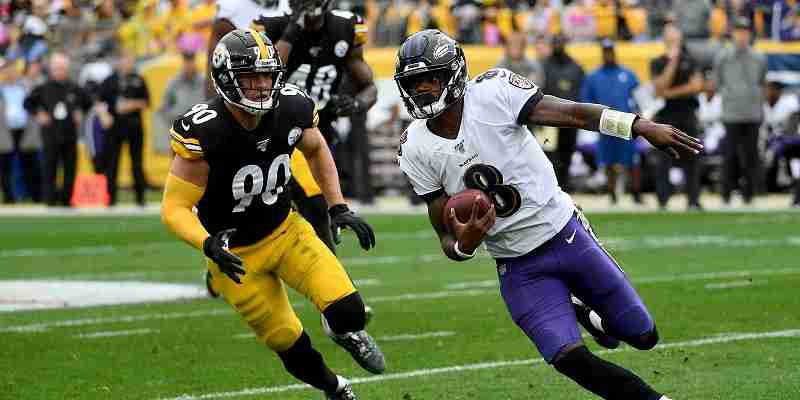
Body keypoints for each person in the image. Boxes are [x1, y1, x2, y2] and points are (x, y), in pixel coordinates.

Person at [396, 29, 702, 400]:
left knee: (643, 335)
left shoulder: (493, 92)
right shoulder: (415, 146)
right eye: (414, 83)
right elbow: (444, 235)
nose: (423, 90)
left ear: (454, 74)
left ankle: (586, 310)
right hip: (517, 264)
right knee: (567, 357)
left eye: (431, 79)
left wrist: (640, 126)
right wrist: (465, 244)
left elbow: (573, 113)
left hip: (565, 233)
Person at [161, 30, 383, 400]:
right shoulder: (206, 130)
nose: (263, 85)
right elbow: (174, 207)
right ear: (226, 78)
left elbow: (317, 150)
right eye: (252, 76)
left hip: (286, 231)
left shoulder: (291, 108)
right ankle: (335, 387)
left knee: (350, 312)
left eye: (267, 74)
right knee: (286, 341)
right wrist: (206, 242)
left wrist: (338, 206)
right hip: (236, 258)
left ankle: (343, 332)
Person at [256, 0, 377, 251]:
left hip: (319, 132)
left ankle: (330, 279)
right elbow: (271, 73)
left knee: (311, 207)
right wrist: (292, 30)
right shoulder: (273, 27)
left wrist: (355, 105)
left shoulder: (345, 28)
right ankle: (334, 283)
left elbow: (368, 87)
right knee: (307, 205)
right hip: (278, 132)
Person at [581, 39, 642, 204]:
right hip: (605, 122)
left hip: (627, 123)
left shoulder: (627, 74)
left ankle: (636, 193)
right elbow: (587, 101)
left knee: (632, 159)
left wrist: (639, 116)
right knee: (608, 161)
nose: (608, 55)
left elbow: (638, 98)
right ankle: (612, 193)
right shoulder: (594, 77)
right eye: (605, 52)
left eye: (610, 51)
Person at [714, 17, 768, 205]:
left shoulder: (759, 58)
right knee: (730, 154)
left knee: (751, 155)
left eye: (745, 31)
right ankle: (726, 193)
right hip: (731, 113)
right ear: (733, 34)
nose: (742, 35)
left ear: (750, 34)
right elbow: (718, 81)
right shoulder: (723, 57)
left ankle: (749, 194)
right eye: (738, 31)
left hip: (752, 113)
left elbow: (762, 82)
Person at [24, 52, 89, 207]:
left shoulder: (74, 88)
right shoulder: (43, 88)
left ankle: (67, 200)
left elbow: (88, 102)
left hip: (69, 134)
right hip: (50, 135)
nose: (60, 71)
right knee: (49, 167)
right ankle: (50, 200)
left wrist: (80, 112)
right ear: (52, 69)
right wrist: (39, 113)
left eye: (63, 68)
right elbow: (27, 103)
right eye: (57, 68)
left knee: (70, 168)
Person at [650, 24, 704, 210]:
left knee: (692, 156)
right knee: (664, 158)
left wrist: (669, 93)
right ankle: (663, 200)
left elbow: (696, 86)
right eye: (670, 37)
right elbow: (659, 87)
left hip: (688, 113)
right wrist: (672, 61)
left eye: (675, 36)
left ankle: (693, 200)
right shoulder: (658, 62)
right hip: (667, 116)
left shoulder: (691, 60)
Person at [97, 53, 150, 206]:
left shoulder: (139, 79)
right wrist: (103, 115)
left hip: (134, 126)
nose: (127, 63)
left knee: (137, 163)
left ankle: (140, 199)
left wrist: (129, 105)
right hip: (115, 127)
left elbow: (146, 102)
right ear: (119, 61)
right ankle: (110, 199)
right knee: (112, 163)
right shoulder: (110, 81)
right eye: (124, 60)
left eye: (129, 60)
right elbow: (99, 101)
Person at [541, 34, 584, 193]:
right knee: (549, 154)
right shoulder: (544, 65)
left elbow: (580, 91)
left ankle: (564, 187)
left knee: (567, 154)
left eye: (560, 42)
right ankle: (552, 188)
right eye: (555, 42)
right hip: (548, 120)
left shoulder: (575, 67)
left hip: (570, 119)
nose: (558, 45)